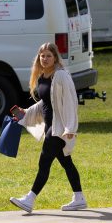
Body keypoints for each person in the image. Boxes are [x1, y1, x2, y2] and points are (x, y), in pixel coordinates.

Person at [9, 43, 84, 214]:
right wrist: (25, 113)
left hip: (59, 128)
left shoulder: (61, 76)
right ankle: (79, 198)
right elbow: (45, 103)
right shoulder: (43, 77)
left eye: (49, 55)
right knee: (66, 162)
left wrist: (70, 128)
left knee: (44, 162)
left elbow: (71, 101)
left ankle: (30, 199)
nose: (45, 59)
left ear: (55, 57)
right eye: (42, 55)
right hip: (50, 125)